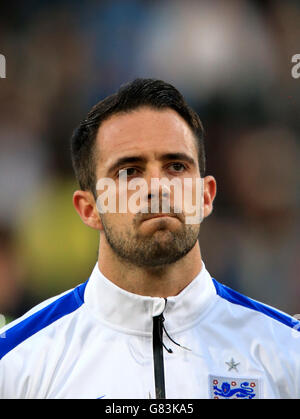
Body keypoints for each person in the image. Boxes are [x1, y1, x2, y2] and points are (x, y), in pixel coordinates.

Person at [0, 79, 299, 399]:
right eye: (129, 171)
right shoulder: (16, 363)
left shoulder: (288, 354)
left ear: (205, 196)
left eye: (176, 165)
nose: (158, 187)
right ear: (89, 209)